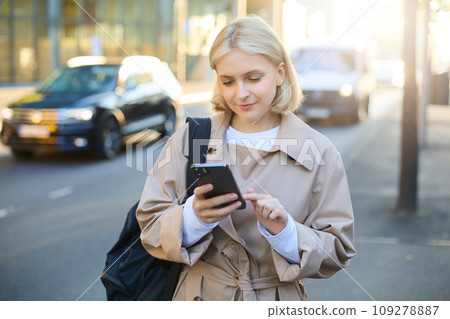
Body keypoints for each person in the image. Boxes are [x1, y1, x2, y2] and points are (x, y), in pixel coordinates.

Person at [136, 16, 356, 301]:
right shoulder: (189, 138)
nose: (241, 94)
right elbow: (150, 227)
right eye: (228, 81)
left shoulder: (320, 151)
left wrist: (285, 233)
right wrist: (194, 218)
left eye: (254, 78)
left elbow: (337, 251)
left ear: (280, 73)